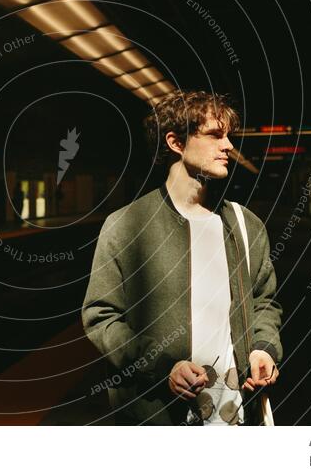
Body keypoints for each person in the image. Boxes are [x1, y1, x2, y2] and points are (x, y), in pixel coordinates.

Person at [82, 90, 282, 425]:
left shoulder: (246, 225)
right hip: (156, 416)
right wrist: (162, 366)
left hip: (234, 414)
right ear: (176, 143)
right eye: (215, 135)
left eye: (228, 135)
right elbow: (101, 317)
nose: (228, 146)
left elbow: (264, 300)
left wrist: (263, 347)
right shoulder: (126, 226)